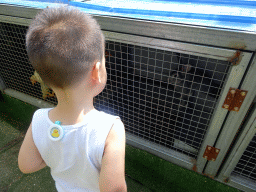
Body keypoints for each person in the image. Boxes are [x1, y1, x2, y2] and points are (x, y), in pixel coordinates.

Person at [18, 4, 127, 192]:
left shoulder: (39, 120)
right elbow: (114, 189)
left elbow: (26, 165)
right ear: (96, 72)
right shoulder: (111, 128)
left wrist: (56, 154)